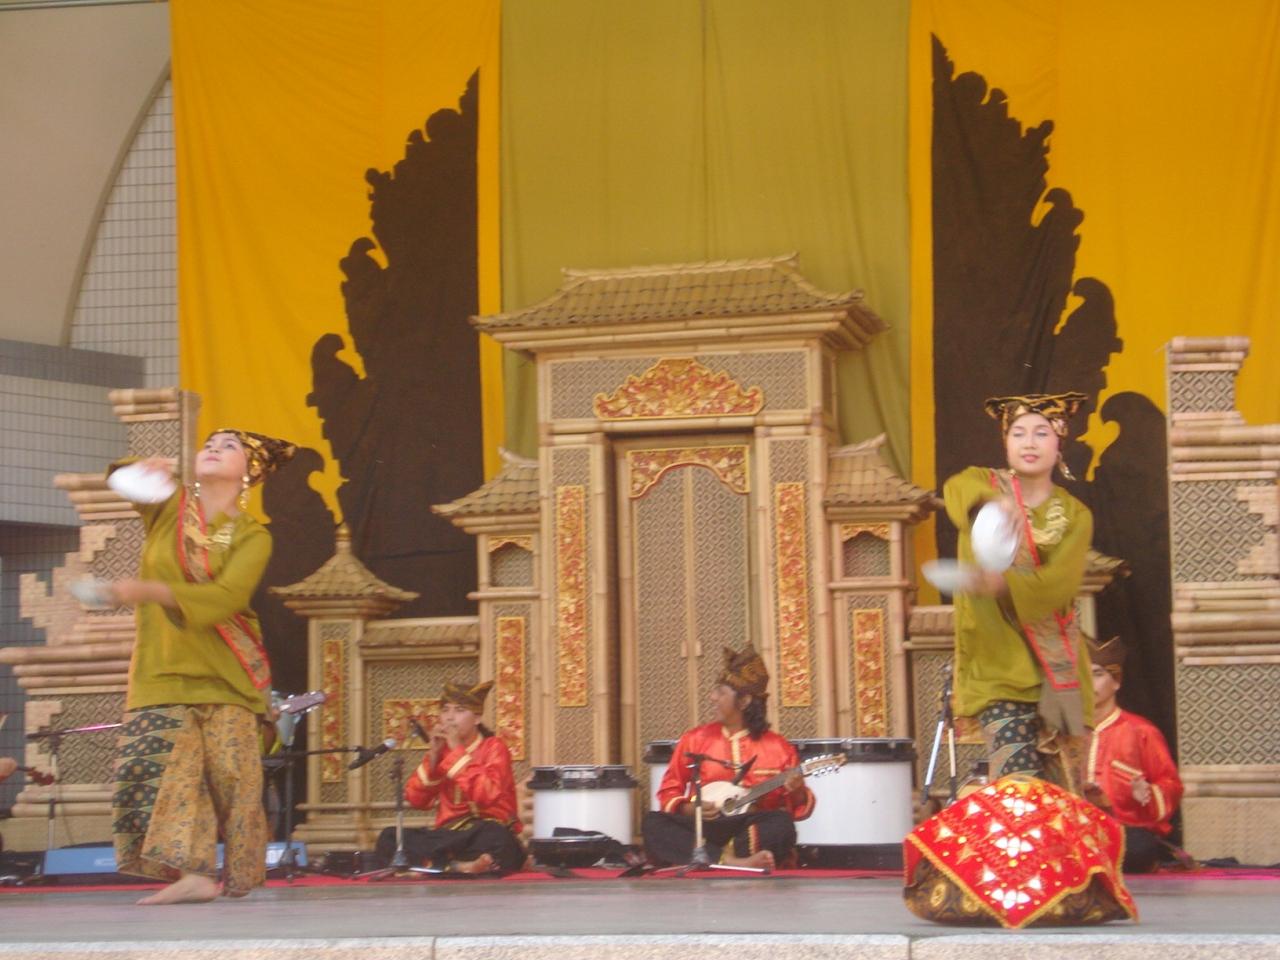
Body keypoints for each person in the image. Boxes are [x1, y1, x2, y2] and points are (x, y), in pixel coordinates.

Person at [105, 428, 295, 905]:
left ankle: (236, 875)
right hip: (161, 670)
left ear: (250, 471)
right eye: (210, 442)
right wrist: (142, 468)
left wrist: (149, 591)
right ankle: (192, 873)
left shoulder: (251, 535)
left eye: (228, 446)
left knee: (233, 782)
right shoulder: (169, 507)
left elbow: (225, 598)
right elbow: (121, 480)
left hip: (226, 674)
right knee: (155, 770)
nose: (213, 448)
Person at [942, 392, 1094, 791]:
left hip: (1058, 673)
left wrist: (1004, 583)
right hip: (998, 668)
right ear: (1005, 441)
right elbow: (956, 491)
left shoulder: (1076, 514)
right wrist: (995, 505)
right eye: (1018, 433)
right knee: (1020, 791)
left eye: (1041, 433)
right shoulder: (978, 484)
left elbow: (1058, 585)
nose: (1029, 443)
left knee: (1062, 801)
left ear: (1060, 441)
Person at [642, 645, 814, 871]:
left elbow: (798, 809)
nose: (712, 697)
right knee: (653, 822)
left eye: (721, 692)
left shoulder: (778, 747)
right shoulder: (695, 739)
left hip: (749, 827)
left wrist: (798, 791)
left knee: (781, 825)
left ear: (744, 701)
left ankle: (716, 857)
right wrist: (689, 809)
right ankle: (732, 861)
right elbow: (668, 792)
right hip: (705, 826)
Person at [376, 680, 524, 874]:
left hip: (483, 832)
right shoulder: (441, 751)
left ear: (477, 718)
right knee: (389, 837)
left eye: (459, 710)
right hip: (448, 835)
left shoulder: (494, 747)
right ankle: (458, 867)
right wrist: (434, 758)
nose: (450, 718)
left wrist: (456, 750)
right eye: (445, 710)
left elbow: (486, 795)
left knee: (497, 838)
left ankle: (431, 868)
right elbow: (417, 800)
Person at [1086, 636, 1184, 872]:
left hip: (1125, 829)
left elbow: (1171, 785)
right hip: (1078, 827)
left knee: (1138, 849)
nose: (1088, 683)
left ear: (1116, 681)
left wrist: (1149, 793)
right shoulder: (1066, 733)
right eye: (1082, 675)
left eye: (1097, 674)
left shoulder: (1141, 731)